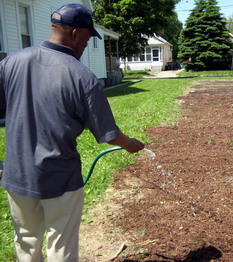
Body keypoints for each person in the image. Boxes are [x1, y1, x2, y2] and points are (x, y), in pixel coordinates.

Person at [0, 3, 144, 261]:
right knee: (61, 243)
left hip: (17, 174)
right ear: (75, 33)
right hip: (60, 178)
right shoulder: (81, 76)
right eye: (87, 39)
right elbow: (109, 134)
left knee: (26, 239)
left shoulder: (11, 62)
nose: (86, 45)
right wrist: (131, 144)